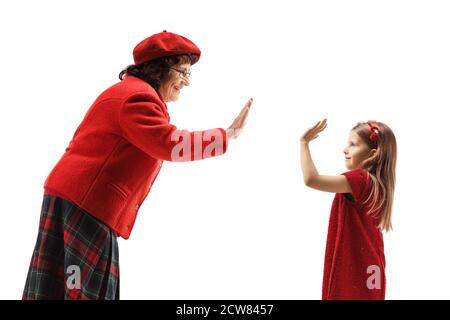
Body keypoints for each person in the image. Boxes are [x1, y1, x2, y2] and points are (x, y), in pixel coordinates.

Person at [23, 31, 253, 300]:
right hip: (85, 204)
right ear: (160, 68)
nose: (187, 82)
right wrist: (228, 135)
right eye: (183, 71)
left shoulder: (129, 93)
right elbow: (170, 144)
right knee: (81, 288)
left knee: (67, 284)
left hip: (75, 199)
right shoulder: (137, 99)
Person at [300, 119, 397, 299]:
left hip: (357, 269)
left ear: (372, 154)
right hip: (372, 268)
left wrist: (304, 143)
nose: (345, 149)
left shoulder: (360, 179)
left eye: (353, 145)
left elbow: (311, 179)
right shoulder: (379, 185)